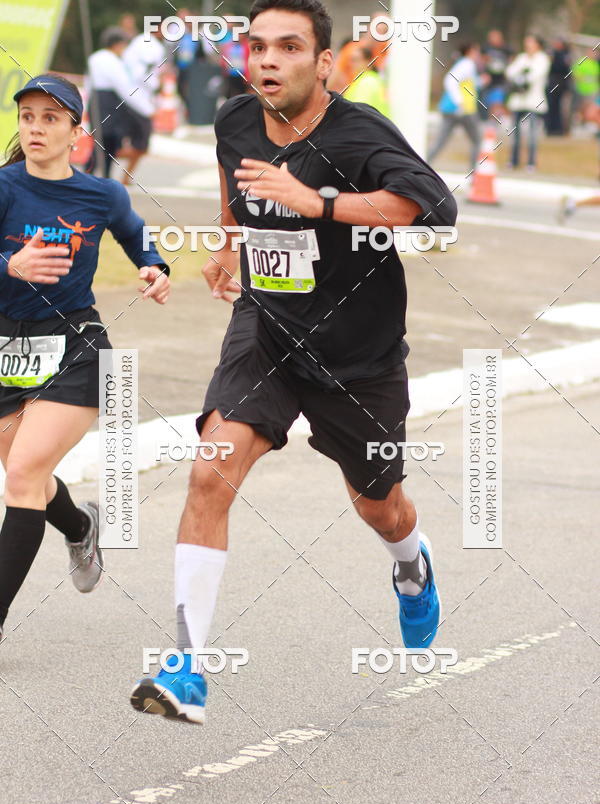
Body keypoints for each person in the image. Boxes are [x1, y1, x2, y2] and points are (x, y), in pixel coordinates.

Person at [130, 0, 457, 725]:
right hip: (268, 328)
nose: (268, 60)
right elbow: (235, 188)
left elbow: (435, 208)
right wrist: (227, 246)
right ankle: (187, 666)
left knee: (381, 504)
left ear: (322, 62)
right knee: (210, 466)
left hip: (358, 355)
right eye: (257, 46)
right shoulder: (234, 119)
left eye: (287, 47)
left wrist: (319, 201)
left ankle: (411, 564)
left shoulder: (359, 132)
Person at [0, 75, 170, 641]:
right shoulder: (3, 187)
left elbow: (137, 237)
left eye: (50, 118)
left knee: (22, 473)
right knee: (28, 473)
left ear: (77, 131)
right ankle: (80, 526)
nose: (36, 128)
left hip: (75, 341)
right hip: (6, 343)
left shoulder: (103, 195)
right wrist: (9, 265)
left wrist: (154, 267)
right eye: (27, 117)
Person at [86, 27, 153, 179]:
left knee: (99, 145)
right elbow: (125, 88)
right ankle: (101, 178)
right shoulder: (111, 61)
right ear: (117, 44)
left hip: (95, 101)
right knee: (108, 145)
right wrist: (147, 109)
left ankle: (90, 176)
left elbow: (88, 83)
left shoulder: (94, 58)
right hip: (109, 104)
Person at [428, 42, 481, 173]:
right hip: (463, 110)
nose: (478, 54)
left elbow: (467, 84)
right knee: (477, 140)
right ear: (470, 52)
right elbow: (450, 80)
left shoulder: (463, 63)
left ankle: (422, 164)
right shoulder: (467, 64)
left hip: (451, 109)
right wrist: (460, 101)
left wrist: (480, 82)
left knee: (440, 142)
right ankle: (474, 175)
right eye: (476, 51)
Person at [121, 28, 165, 183]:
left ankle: (125, 176)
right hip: (140, 101)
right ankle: (124, 175)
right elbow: (145, 74)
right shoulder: (154, 47)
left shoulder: (137, 41)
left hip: (127, 96)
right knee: (142, 145)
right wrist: (155, 87)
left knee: (135, 144)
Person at [506, 35, 551, 171]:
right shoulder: (522, 57)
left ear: (537, 44)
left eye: (531, 42)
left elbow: (535, 75)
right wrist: (520, 76)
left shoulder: (542, 59)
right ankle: (513, 161)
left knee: (532, 133)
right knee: (515, 131)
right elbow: (510, 71)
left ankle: (531, 162)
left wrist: (523, 76)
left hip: (533, 100)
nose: (528, 45)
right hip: (519, 100)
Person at [343, 44, 390, 117]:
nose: (351, 64)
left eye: (355, 60)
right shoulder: (371, 79)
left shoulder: (367, 82)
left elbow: (359, 113)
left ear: (368, 62)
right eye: (350, 60)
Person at [480, 29, 512, 121]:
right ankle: (493, 122)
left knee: (497, 103)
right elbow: (481, 62)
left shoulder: (506, 49)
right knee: (488, 104)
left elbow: (511, 61)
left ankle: (494, 122)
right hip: (488, 82)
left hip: (501, 81)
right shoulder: (485, 48)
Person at [546, 38, 571, 136]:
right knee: (551, 107)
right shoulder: (552, 54)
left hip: (560, 84)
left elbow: (565, 70)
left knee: (560, 108)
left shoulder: (564, 55)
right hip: (552, 83)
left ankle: (559, 129)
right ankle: (550, 128)